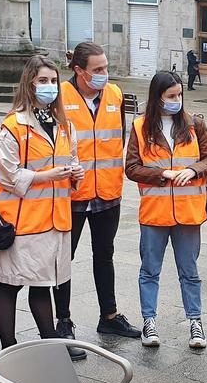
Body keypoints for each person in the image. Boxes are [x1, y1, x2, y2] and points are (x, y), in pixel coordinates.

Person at [53, 42, 141, 355]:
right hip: (72, 193)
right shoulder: (60, 96)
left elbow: (117, 139)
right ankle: (63, 322)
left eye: (106, 68)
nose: (105, 74)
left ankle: (110, 315)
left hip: (107, 191)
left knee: (105, 254)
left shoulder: (114, 95)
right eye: (98, 70)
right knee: (64, 259)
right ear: (78, 70)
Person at [0, 55, 82, 352]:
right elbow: (7, 175)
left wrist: (74, 175)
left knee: (42, 284)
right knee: (11, 283)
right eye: (43, 81)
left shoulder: (64, 125)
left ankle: (50, 344)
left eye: (54, 81)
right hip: (23, 221)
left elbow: (71, 162)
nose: (50, 86)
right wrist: (48, 176)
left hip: (55, 219)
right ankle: (8, 349)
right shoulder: (14, 125)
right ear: (29, 84)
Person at [124, 71, 207, 348]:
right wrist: (163, 174)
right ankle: (149, 322)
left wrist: (192, 170)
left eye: (179, 95)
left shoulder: (194, 124)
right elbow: (131, 168)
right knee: (149, 269)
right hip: (155, 211)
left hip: (188, 211)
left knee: (189, 270)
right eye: (171, 96)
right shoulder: (141, 127)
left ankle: (195, 322)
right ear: (158, 97)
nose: (177, 100)